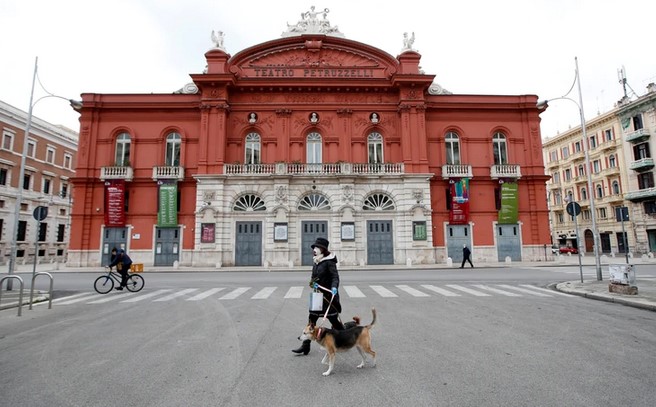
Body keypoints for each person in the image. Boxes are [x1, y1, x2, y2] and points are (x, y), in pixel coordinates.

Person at [292, 237, 345, 355]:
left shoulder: (329, 261)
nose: (314, 249)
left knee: (333, 320)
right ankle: (305, 346)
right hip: (317, 296)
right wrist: (312, 283)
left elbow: (335, 277)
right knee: (312, 320)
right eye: (314, 247)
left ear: (323, 249)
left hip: (328, 296)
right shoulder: (316, 261)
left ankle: (345, 338)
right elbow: (313, 277)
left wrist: (334, 287)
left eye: (317, 247)